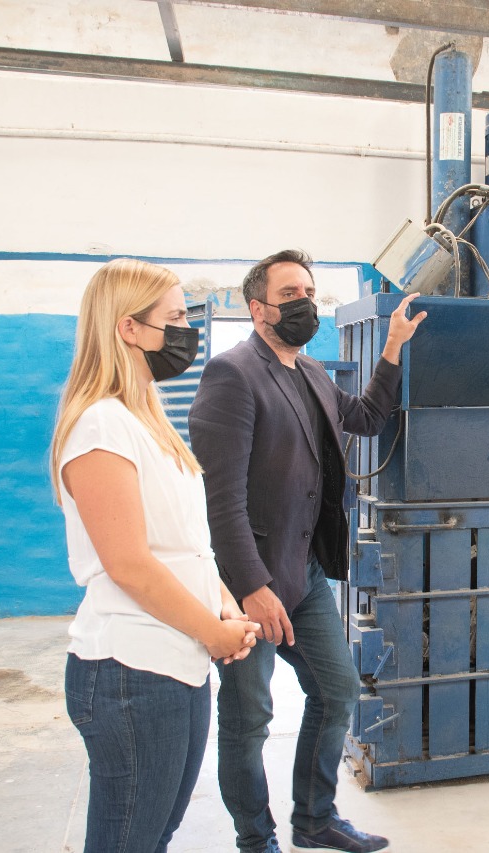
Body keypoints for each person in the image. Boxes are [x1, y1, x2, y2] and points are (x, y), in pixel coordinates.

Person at [189, 249, 426, 853]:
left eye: (309, 293)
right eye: (290, 293)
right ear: (257, 308)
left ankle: (315, 820)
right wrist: (249, 586)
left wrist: (394, 343)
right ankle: (254, 837)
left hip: (304, 574)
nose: (304, 304)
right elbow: (221, 500)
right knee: (249, 720)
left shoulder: (312, 373)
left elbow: (369, 418)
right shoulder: (232, 375)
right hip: (247, 586)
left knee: (337, 690)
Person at [51, 258, 260, 852]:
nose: (185, 332)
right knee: (129, 840)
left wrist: (222, 608)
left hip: (179, 658)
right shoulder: (98, 427)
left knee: (156, 831)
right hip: (130, 670)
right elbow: (130, 564)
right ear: (128, 329)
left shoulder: (144, 420)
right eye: (173, 319)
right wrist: (215, 633)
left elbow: (189, 544)